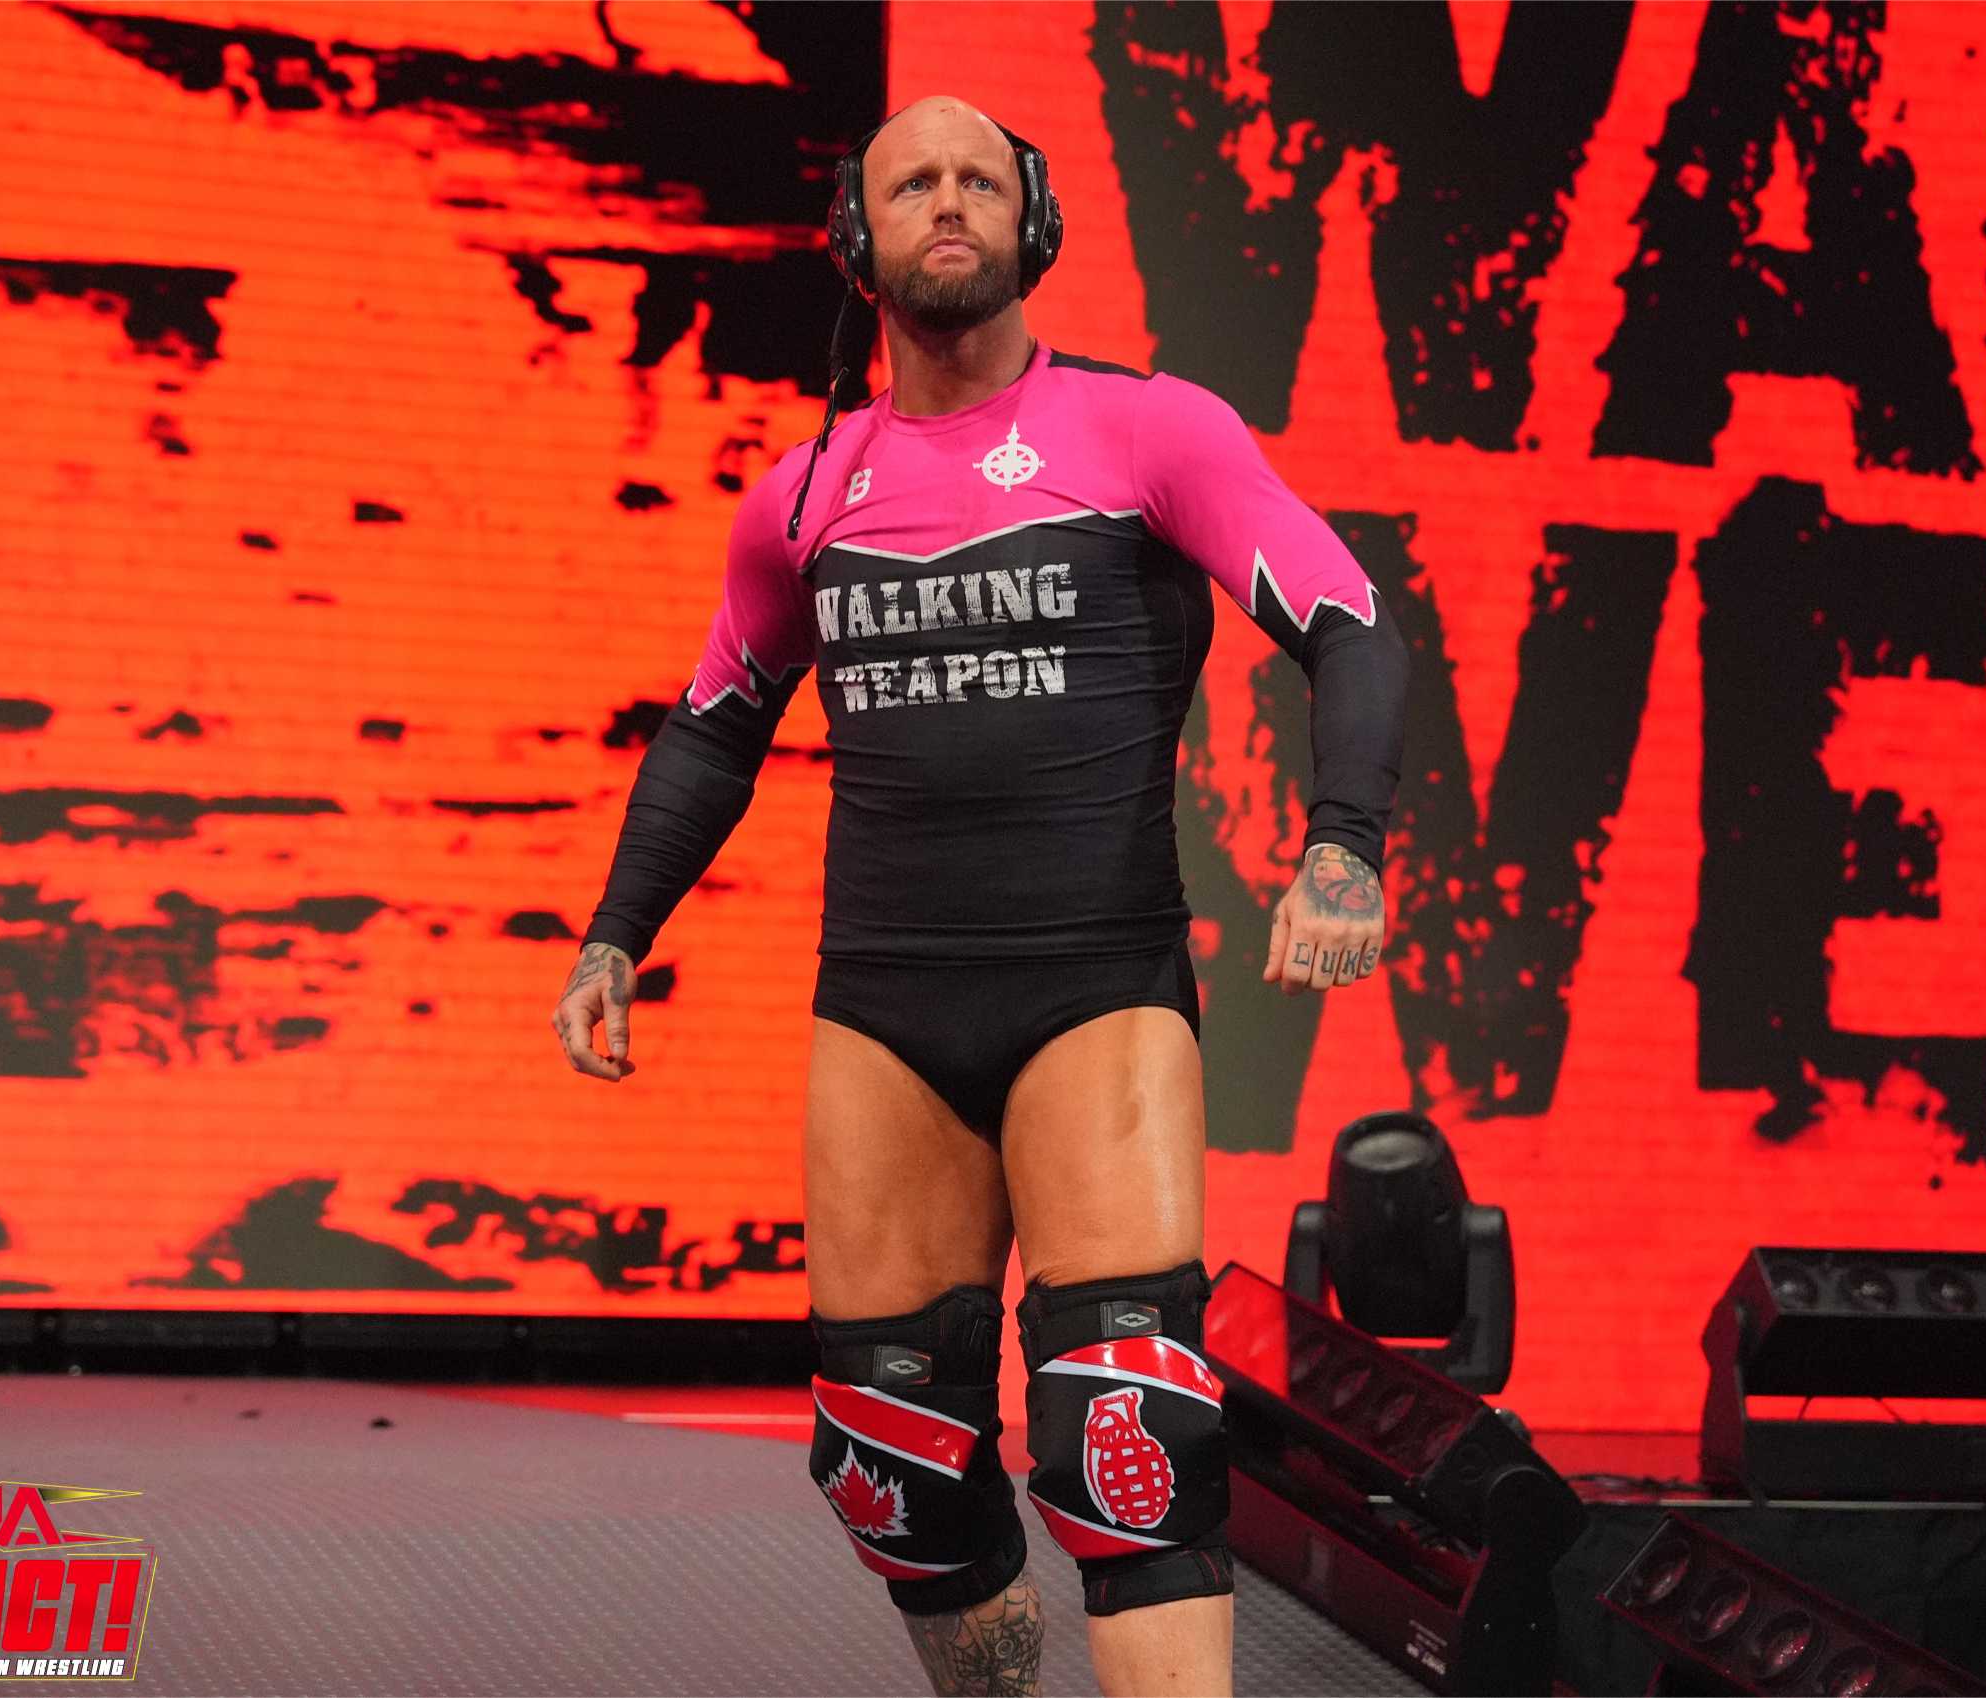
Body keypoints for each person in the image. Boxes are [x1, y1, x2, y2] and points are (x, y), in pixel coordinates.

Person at [553, 95, 1408, 1698]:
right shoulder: (801, 494)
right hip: (883, 1004)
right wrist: (615, 933)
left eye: (977, 180)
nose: (947, 202)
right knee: (887, 1449)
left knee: (1127, 1431)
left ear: (1033, 223)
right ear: (853, 236)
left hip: (1092, 987)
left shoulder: (1151, 433)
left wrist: (1343, 844)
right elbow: (714, 727)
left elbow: (1350, 620)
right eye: (911, 184)